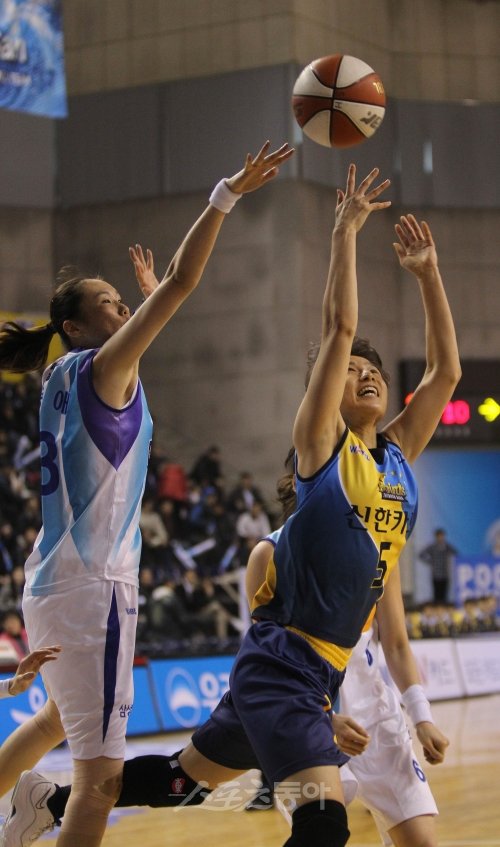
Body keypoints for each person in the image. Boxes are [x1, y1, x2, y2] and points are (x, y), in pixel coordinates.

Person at [1, 163, 460, 847]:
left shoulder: (397, 457)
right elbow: (338, 327)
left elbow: (445, 373)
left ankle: (46, 797)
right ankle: (60, 800)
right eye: (352, 371)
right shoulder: (323, 446)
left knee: (179, 783)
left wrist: (427, 274)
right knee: (323, 823)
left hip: (299, 668)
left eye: (374, 372)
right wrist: (343, 233)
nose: (366, 375)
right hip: (282, 668)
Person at [0, 138, 294, 847]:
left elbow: (137, 346)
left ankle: (27, 809)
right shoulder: (103, 368)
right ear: (75, 326)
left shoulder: (61, 376)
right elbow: (185, 283)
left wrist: (150, 297)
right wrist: (226, 194)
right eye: (110, 302)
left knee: (55, 721)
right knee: (100, 783)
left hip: (51, 584)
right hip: (93, 587)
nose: (125, 303)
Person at [419, 529, 458, 604]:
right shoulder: (432, 547)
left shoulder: (447, 546)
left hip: (445, 574)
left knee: (444, 595)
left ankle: (444, 608)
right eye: (439, 536)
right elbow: (421, 554)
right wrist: (430, 561)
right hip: (436, 574)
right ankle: (437, 608)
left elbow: (456, 553)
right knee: (436, 595)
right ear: (436, 537)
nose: (441, 538)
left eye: (442, 536)